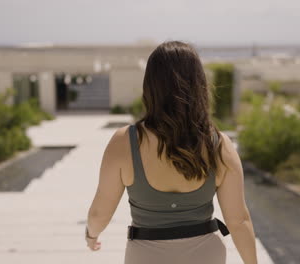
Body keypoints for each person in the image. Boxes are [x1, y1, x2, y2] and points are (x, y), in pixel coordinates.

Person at [85, 40, 258, 264]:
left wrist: (91, 234)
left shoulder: (124, 142)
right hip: (207, 255)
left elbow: (100, 213)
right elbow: (238, 221)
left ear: (150, 86)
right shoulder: (219, 145)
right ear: (199, 84)